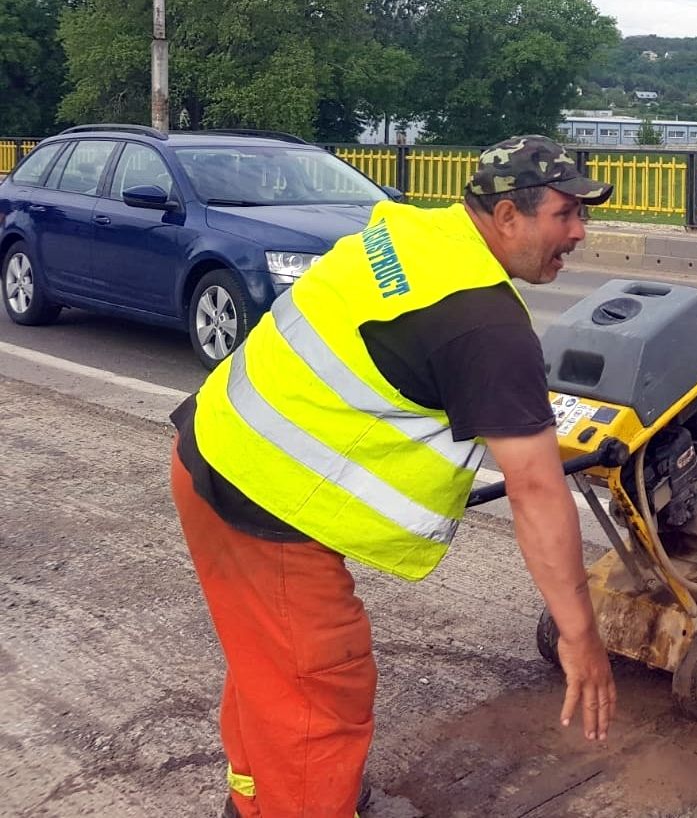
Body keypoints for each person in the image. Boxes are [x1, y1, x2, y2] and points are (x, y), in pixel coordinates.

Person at [169, 135, 618, 818]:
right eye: (564, 215)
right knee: (319, 691)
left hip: (212, 448)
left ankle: (253, 801)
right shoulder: (485, 325)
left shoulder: (412, 231)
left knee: (269, 668)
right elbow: (534, 488)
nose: (579, 232)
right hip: (266, 499)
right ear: (505, 217)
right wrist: (581, 637)